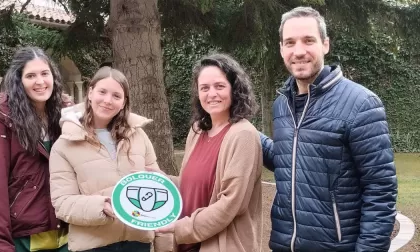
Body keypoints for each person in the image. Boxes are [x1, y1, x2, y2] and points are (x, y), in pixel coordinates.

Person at [260, 6, 398, 252]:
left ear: (325, 44)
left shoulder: (361, 103)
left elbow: (380, 189)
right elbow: (286, 159)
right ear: (281, 49)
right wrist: (245, 132)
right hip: (283, 245)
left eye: (308, 40)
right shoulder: (282, 104)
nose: (299, 51)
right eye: (290, 42)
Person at [48, 66, 172, 252]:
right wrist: (101, 206)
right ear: (90, 93)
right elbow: (62, 203)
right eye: (102, 92)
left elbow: (156, 190)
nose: (108, 100)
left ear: (123, 102)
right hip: (93, 245)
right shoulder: (65, 144)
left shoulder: (138, 137)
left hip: (137, 243)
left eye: (116, 96)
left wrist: (159, 182)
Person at [155, 53, 263, 252]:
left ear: (235, 89)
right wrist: (162, 180)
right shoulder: (197, 131)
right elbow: (194, 185)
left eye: (219, 86)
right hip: (186, 246)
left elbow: (230, 204)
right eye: (204, 88)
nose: (211, 93)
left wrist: (180, 228)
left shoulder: (243, 135)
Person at [0, 47, 70, 252]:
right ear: (19, 81)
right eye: (30, 76)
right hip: (23, 240)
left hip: (66, 234)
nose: (40, 81)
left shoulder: (66, 115)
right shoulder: (0, 118)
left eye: (45, 73)